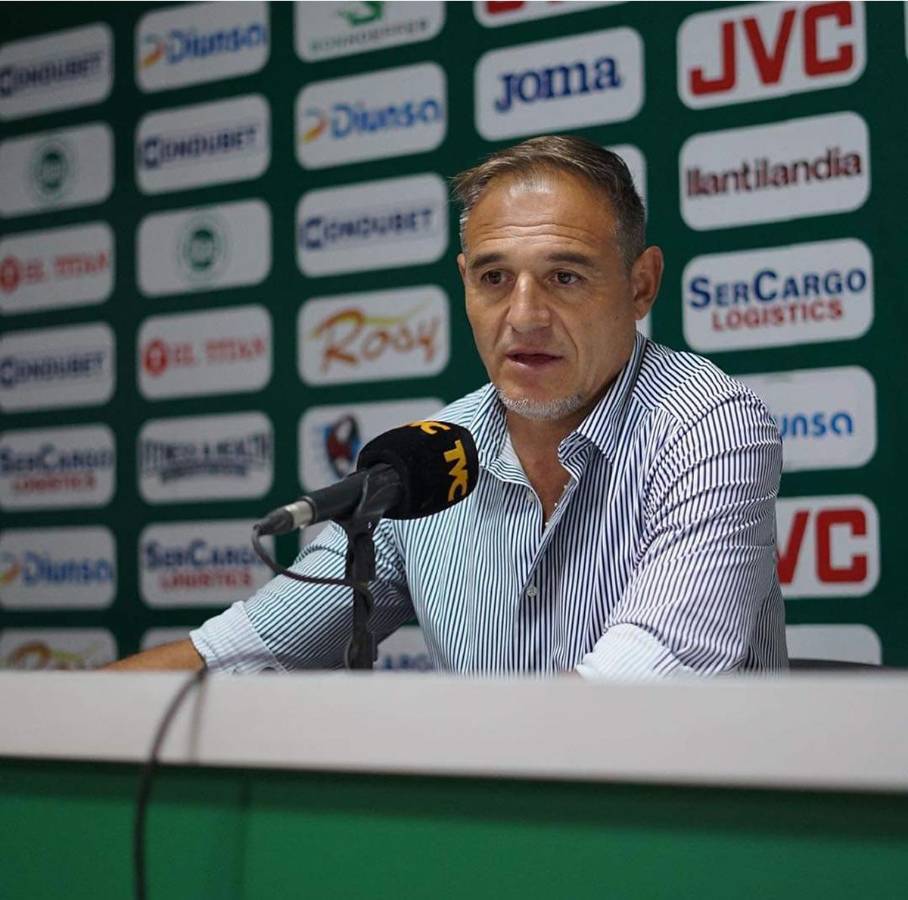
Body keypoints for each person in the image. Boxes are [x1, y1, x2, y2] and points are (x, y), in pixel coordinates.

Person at [107, 135, 787, 677]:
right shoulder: (430, 459)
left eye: (564, 276)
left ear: (642, 286)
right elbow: (240, 654)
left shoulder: (707, 426)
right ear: (465, 285)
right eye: (495, 278)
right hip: (486, 837)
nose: (523, 316)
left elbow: (641, 682)